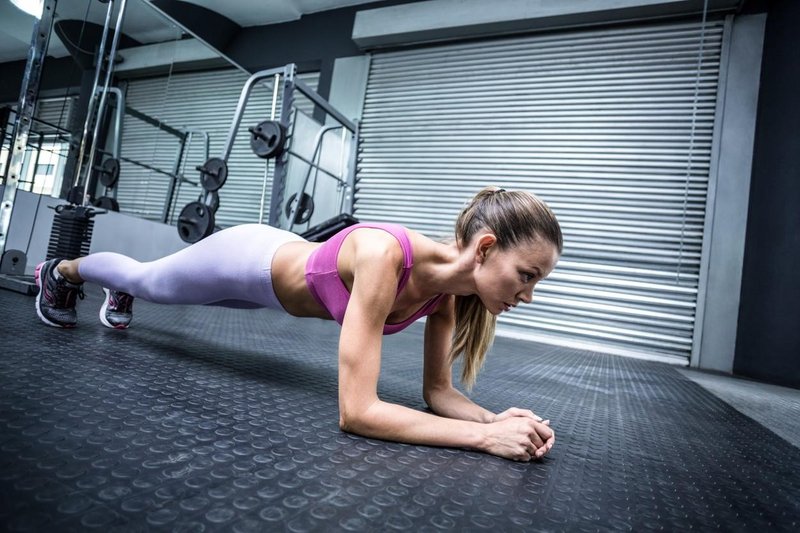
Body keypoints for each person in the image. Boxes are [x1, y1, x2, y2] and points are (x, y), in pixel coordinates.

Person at [34, 186, 562, 462]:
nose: (529, 295)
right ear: (486, 248)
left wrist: (493, 420)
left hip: (272, 298)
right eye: (526, 275)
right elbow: (358, 413)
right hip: (248, 261)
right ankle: (60, 271)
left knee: (160, 288)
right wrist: (483, 442)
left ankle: (105, 281)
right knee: (150, 282)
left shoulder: (446, 298)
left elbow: (439, 393)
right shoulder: (385, 255)